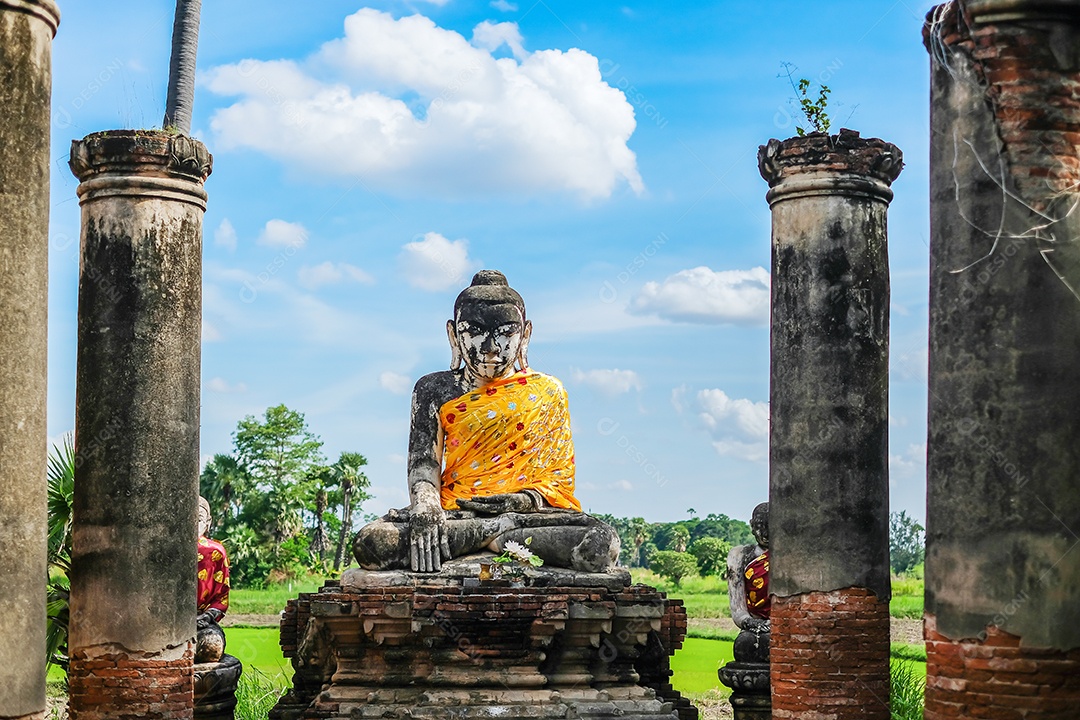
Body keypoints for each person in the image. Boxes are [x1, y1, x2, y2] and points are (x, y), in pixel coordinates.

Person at [353, 270, 620, 573]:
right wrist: (426, 507)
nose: (490, 347)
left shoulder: (547, 391)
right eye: (475, 332)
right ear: (454, 335)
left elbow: (555, 479)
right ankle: (498, 537)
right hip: (455, 513)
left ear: (525, 335)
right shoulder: (433, 390)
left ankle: (489, 534)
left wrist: (519, 503)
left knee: (600, 544)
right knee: (372, 543)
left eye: (506, 333)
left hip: (524, 517)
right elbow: (424, 466)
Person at [727, 502, 770, 662]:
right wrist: (750, 622)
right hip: (754, 624)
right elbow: (737, 606)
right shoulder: (739, 555)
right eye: (760, 526)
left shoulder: (791, 554)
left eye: (769, 526)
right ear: (752, 526)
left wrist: (778, 622)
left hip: (783, 623)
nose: (765, 533)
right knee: (745, 645)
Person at [196, 496, 229, 663]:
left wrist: (207, 617)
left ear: (208, 522)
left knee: (211, 646)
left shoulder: (215, 552)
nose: (194, 523)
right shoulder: (165, 548)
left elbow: (221, 597)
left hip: (202, 621)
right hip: (167, 621)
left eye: (199, 518)